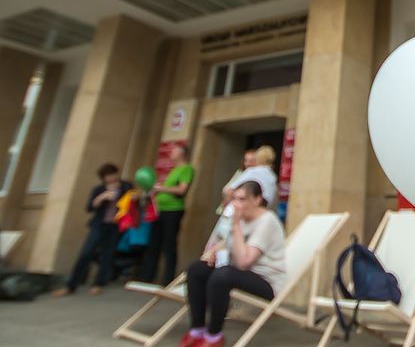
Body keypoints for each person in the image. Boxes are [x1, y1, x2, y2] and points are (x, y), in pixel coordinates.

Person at [180, 181, 286, 347]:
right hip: (239, 275)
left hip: (267, 282)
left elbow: (244, 262)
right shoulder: (241, 219)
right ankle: (197, 330)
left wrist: (235, 225)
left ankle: (214, 337)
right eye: (235, 199)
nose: (236, 204)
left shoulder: (267, 221)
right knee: (196, 269)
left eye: (242, 199)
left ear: (257, 200)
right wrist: (215, 252)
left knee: (222, 275)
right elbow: (229, 247)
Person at [52, 163, 132, 296]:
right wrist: (101, 197)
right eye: (107, 176)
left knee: (107, 254)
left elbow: (133, 201)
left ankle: (98, 284)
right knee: (86, 253)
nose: (110, 178)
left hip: (115, 226)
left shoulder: (126, 186)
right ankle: (71, 286)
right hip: (99, 225)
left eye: (112, 174)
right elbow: (89, 208)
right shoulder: (99, 189)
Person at [141, 145, 194, 285]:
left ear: (182, 153)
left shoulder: (186, 169)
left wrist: (160, 188)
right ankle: (147, 277)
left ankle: (167, 280)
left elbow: (181, 190)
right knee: (154, 244)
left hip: (173, 210)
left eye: (174, 151)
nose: (171, 153)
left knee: (169, 245)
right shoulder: (173, 170)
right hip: (160, 210)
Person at [224, 145, 277, 211]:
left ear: (258, 158)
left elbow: (229, 191)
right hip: (261, 212)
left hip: (241, 211)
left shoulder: (252, 171)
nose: (248, 163)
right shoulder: (273, 177)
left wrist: (227, 206)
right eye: (246, 160)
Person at [217, 148, 256, 216]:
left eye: (251, 161)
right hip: (229, 209)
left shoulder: (256, 177)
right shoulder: (240, 173)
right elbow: (227, 189)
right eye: (246, 160)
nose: (248, 163)